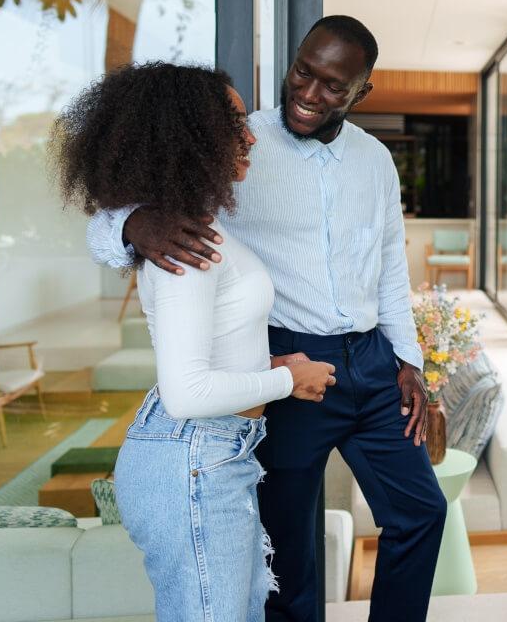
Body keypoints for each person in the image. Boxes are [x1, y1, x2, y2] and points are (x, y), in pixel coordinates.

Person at [85, 17, 447, 622]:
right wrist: (129, 225)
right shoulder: (234, 142)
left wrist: (407, 358)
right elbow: (120, 217)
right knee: (286, 551)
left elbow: (389, 264)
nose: (309, 93)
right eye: (303, 71)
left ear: (360, 93)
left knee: (422, 512)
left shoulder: (376, 160)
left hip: (373, 362)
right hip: (286, 363)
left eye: (333, 85)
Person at [51, 63, 337, 622]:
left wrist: (267, 363)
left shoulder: (197, 227)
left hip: (213, 452)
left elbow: (209, 348)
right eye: (233, 122)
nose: (251, 133)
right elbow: (186, 393)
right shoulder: (180, 242)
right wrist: (286, 380)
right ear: (185, 134)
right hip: (194, 456)